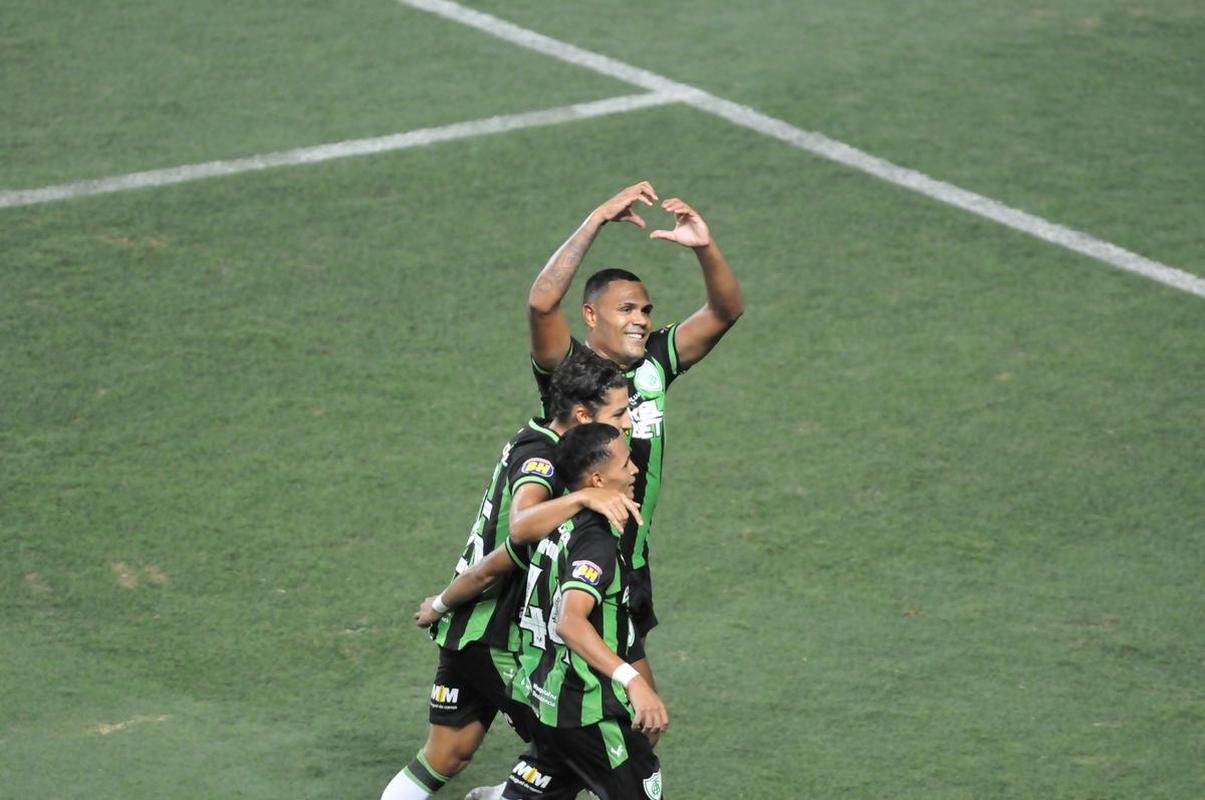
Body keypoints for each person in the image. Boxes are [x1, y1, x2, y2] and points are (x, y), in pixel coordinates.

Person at [380, 350, 640, 800]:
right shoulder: (544, 459)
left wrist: (441, 604)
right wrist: (584, 501)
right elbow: (519, 529)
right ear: (583, 415)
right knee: (572, 734)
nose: (629, 424)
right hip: (495, 632)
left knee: (448, 754)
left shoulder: (551, 445)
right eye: (619, 414)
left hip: (468, 621)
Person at [528, 181, 743, 640]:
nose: (641, 319)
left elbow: (725, 311)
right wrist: (597, 219)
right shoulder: (567, 372)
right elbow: (541, 302)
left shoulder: (655, 362)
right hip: (575, 559)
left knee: (628, 706)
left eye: (646, 310)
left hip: (631, 559)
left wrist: (705, 248)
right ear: (590, 315)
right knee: (601, 703)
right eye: (626, 309)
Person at [500, 423, 668, 800]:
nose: (635, 470)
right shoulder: (595, 541)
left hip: (545, 706)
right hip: (587, 712)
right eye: (625, 464)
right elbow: (570, 622)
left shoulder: (556, 524)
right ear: (597, 479)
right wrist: (634, 682)